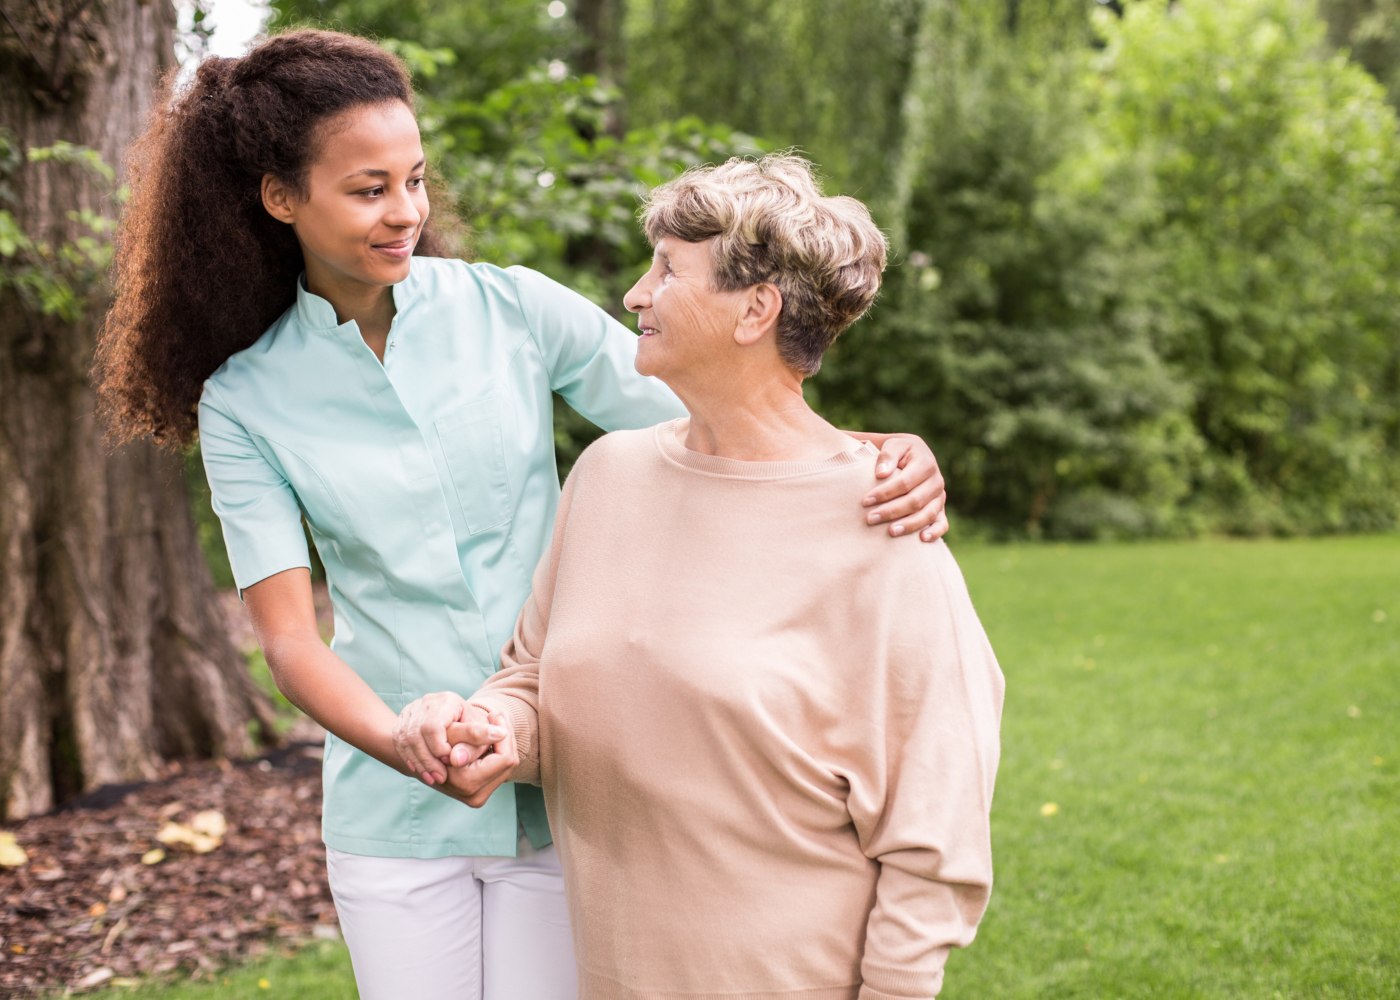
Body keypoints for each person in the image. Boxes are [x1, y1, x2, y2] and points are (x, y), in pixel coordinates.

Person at [93, 29, 952, 1000]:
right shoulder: (246, 400)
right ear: (280, 197)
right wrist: (402, 742)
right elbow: (291, 643)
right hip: (392, 815)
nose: (405, 211)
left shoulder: (514, 311)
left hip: (566, 790)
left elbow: (728, 411)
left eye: (414, 179)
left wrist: (862, 456)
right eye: (368, 189)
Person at [396, 154, 1005, 1000]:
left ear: (756, 308)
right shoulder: (608, 476)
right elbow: (535, 677)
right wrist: (491, 728)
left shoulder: (887, 534)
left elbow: (933, 838)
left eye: (667, 272)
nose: (636, 296)